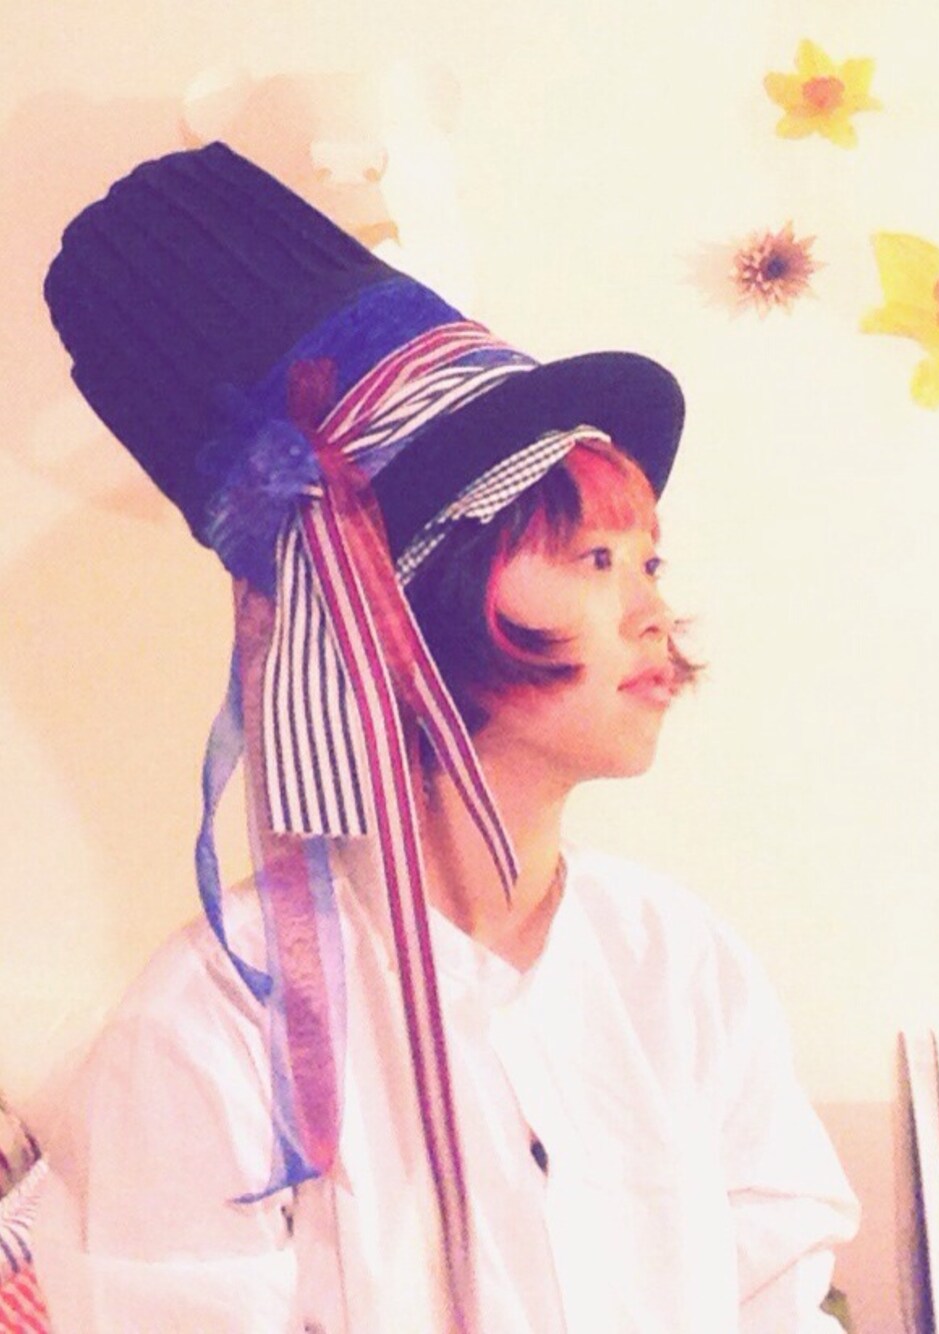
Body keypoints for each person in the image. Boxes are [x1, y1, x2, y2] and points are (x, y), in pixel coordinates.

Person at [33, 143, 858, 1332]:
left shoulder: (673, 961)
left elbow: (776, 1294)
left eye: (649, 561)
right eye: (593, 557)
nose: (651, 610)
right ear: (405, 607)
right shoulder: (221, 1019)